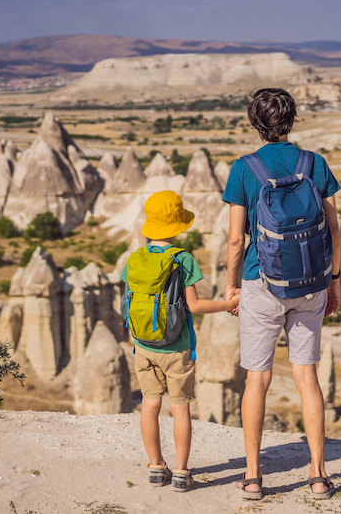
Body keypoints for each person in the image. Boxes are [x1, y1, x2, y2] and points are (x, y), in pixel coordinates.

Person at [222, 88, 341, 500]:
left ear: (256, 124)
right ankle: (318, 476)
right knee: (307, 378)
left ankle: (253, 477)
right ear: (291, 121)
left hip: (262, 282)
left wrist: (233, 285)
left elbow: (236, 241)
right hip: (311, 283)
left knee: (258, 379)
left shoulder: (244, 169)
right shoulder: (314, 163)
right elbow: (334, 226)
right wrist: (334, 280)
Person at [122, 190, 240, 492]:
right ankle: (181, 471)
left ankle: (156, 467)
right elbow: (195, 306)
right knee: (179, 408)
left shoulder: (134, 258)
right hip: (177, 347)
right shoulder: (183, 259)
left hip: (143, 346)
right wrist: (229, 305)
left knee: (149, 405)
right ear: (178, 226)